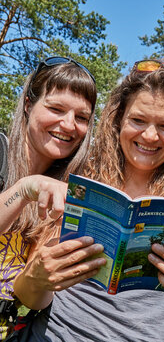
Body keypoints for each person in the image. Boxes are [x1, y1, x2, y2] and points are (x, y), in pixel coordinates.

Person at [14, 59, 164, 341]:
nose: (150, 136)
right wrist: (38, 276)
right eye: (138, 120)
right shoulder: (76, 180)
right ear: (118, 120)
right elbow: (29, 297)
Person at [0, 56, 103, 340]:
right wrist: (24, 189)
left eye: (82, 117)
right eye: (56, 108)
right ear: (29, 104)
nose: (69, 125)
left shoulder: (69, 192)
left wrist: (46, 276)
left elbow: (33, 301)